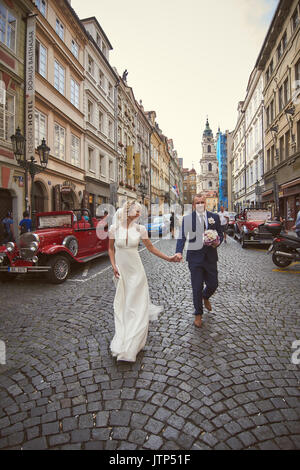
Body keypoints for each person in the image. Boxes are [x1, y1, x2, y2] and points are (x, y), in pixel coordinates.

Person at [108, 201, 179, 362]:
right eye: (137, 210)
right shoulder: (114, 229)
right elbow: (110, 249)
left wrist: (169, 258)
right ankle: (124, 335)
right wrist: (113, 266)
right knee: (123, 305)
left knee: (136, 306)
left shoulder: (140, 229)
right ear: (127, 210)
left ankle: (134, 343)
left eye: (140, 211)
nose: (139, 214)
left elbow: (151, 248)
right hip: (122, 272)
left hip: (137, 272)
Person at [175, 194, 223, 328]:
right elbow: (181, 237)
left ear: (205, 203)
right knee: (196, 287)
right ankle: (198, 314)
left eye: (202, 202)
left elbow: (220, 234)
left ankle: (206, 296)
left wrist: (216, 242)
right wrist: (178, 251)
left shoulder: (214, 217)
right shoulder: (188, 219)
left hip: (211, 257)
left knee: (213, 284)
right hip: (195, 258)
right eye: (198, 202)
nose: (200, 204)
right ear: (194, 205)